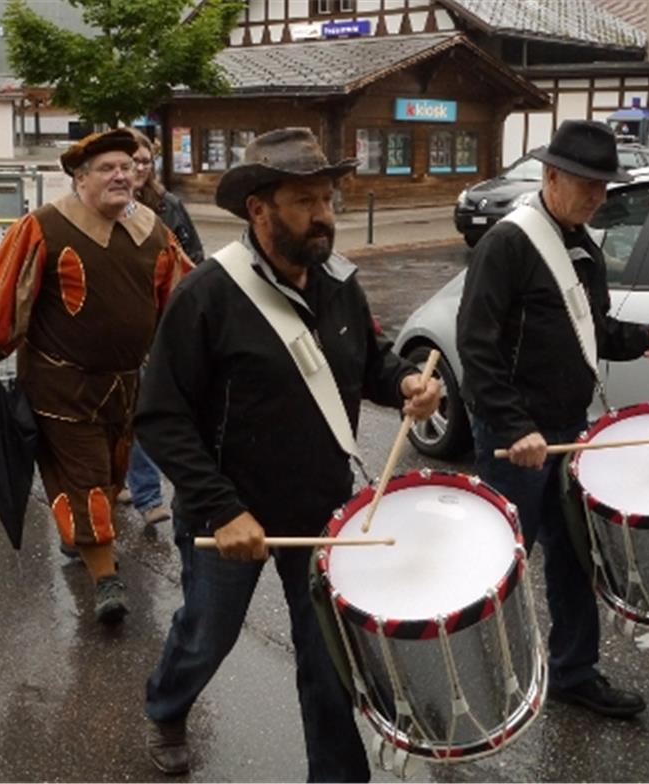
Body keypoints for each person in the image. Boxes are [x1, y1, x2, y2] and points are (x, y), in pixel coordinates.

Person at [136, 127, 441, 778]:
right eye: (305, 201)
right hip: (227, 514)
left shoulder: (339, 283)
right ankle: (167, 704)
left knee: (329, 657)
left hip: (321, 508)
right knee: (208, 635)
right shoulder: (207, 295)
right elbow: (160, 416)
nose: (324, 215)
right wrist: (222, 509)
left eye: (327, 198)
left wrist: (405, 383)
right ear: (259, 209)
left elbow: (369, 362)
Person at [456, 120, 649, 719]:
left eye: (604, 187)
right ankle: (473, 683)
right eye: (587, 185)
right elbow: (475, 346)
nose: (597, 197)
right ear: (552, 177)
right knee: (502, 564)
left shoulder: (583, 247)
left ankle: (573, 671)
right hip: (516, 437)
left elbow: (592, 330)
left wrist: (645, 337)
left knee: (579, 556)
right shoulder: (507, 244)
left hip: (568, 428)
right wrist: (513, 427)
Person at [0, 128, 193, 624]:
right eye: (107, 168)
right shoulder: (44, 227)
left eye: (127, 167)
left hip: (124, 386)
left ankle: (83, 537)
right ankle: (106, 579)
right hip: (61, 387)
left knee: (110, 476)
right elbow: (5, 298)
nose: (121, 175)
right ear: (80, 178)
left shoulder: (154, 230)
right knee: (84, 477)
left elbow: (182, 300)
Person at [115, 129, 205, 526]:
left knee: (147, 409)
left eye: (143, 161)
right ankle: (114, 481)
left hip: (158, 326)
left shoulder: (167, 206)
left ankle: (149, 496)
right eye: (130, 161)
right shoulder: (101, 208)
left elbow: (194, 257)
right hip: (117, 329)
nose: (136, 168)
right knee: (117, 414)